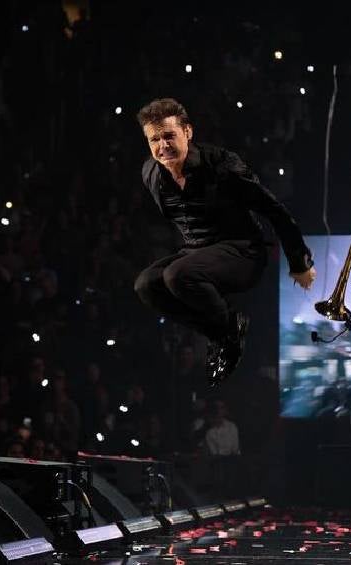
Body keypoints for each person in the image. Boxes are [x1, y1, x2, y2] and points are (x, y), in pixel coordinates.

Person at [133, 98, 315, 384]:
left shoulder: (221, 165)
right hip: (195, 253)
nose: (163, 145)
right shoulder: (151, 174)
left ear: (187, 132)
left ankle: (229, 326)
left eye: (169, 136)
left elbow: (273, 210)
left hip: (243, 251)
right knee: (146, 285)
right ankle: (220, 333)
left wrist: (299, 262)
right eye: (154, 139)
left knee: (176, 275)